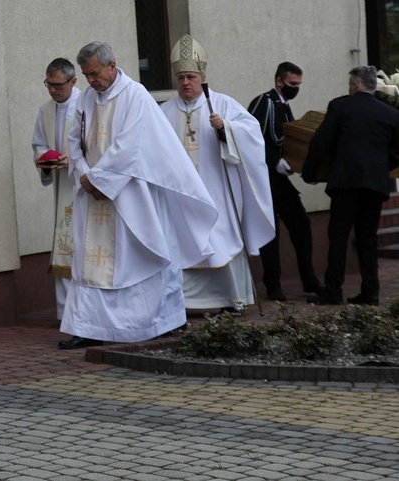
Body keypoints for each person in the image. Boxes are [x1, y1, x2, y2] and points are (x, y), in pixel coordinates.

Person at [58, 41, 218, 348]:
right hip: (93, 193)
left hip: (131, 192)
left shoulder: (135, 96)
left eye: (94, 73)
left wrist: (100, 180)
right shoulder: (86, 99)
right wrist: (82, 174)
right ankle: (88, 326)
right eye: (86, 75)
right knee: (90, 261)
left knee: (139, 256)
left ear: (112, 65)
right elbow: (74, 140)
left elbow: (130, 145)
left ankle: (152, 323)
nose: (91, 81)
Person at [160, 35, 275, 312]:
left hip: (216, 191)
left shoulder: (221, 104)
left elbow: (252, 136)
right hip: (180, 196)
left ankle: (228, 298)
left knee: (220, 236)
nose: (186, 82)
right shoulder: (164, 111)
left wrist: (226, 129)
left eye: (191, 77)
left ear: (202, 77)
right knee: (181, 239)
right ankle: (183, 302)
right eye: (181, 78)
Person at [303, 66, 399, 306]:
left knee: (338, 236)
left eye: (349, 84)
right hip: (374, 185)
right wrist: (380, 168)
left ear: (355, 84)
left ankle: (333, 290)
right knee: (368, 237)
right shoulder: (390, 113)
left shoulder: (340, 106)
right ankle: (371, 292)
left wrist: (309, 172)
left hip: (346, 182)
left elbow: (321, 141)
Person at [248, 62, 324, 301]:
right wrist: (274, 161)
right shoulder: (265, 102)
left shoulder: (283, 105)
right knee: (271, 232)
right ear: (279, 81)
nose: (296, 88)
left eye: (299, 85)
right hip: (265, 177)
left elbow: (286, 140)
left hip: (280, 179)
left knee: (300, 224)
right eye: (292, 84)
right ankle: (273, 284)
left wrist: (297, 164)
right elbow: (251, 138)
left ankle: (309, 278)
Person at [31, 58, 81, 334]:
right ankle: (64, 312)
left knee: (83, 246)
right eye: (48, 85)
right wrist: (43, 159)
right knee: (63, 245)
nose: (52, 91)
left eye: (57, 85)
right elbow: (38, 142)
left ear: (73, 82)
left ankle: (83, 309)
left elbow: (97, 145)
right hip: (62, 187)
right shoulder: (45, 111)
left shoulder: (88, 107)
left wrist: (71, 160)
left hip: (83, 187)